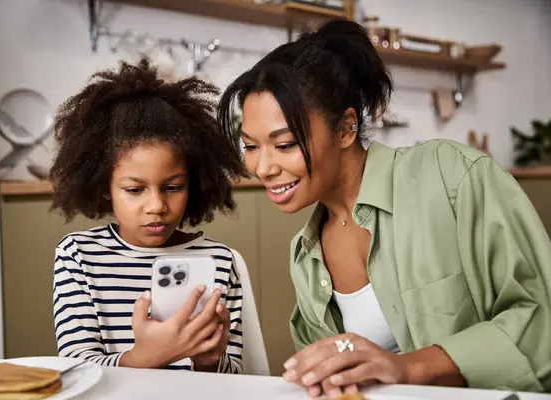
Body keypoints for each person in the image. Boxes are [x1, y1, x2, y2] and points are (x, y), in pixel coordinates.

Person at [217, 20, 551, 396]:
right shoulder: (305, 258)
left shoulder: (452, 177)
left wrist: (407, 368)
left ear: (345, 129)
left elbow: (541, 316)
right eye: (251, 146)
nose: (262, 168)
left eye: (285, 144)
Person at [50, 58, 246, 373]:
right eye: (135, 190)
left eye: (173, 187)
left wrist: (209, 360)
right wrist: (146, 357)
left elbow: (235, 377)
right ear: (104, 187)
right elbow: (76, 368)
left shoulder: (219, 261)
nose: (156, 206)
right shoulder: (78, 256)